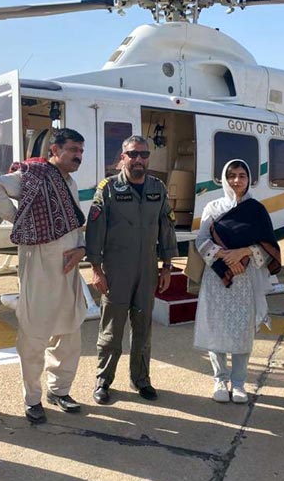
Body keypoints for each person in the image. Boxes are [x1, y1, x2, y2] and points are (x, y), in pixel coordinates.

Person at [0, 128, 87, 424]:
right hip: (40, 268)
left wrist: (81, 250)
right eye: (73, 150)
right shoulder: (33, 175)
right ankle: (33, 399)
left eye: (81, 151)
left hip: (68, 269)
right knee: (34, 337)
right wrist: (21, 219)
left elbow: (75, 224)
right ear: (54, 150)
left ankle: (60, 390)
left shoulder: (71, 182)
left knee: (69, 335)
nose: (78, 156)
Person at [86, 135, 178, 405]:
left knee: (143, 327)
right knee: (111, 329)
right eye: (133, 154)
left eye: (144, 154)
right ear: (123, 157)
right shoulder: (109, 189)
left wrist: (167, 266)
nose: (139, 159)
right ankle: (103, 380)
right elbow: (95, 232)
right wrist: (95, 268)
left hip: (147, 270)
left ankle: (141, 379)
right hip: (116, 270)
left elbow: (166, 229)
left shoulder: (157, 188)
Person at [193, 159, 281, 404]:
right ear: (224, 178)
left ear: (248, 179)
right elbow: (201, 241)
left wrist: (242, 253)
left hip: (246, 278)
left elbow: (269, 246)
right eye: (231, 175)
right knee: (217, 329)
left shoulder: (256, 209)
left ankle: (240, 382)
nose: (236, 180)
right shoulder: (213, 207)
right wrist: (224, 256)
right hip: (217, 277)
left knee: (242, 332)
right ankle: (220, 379)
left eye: (242, 175)